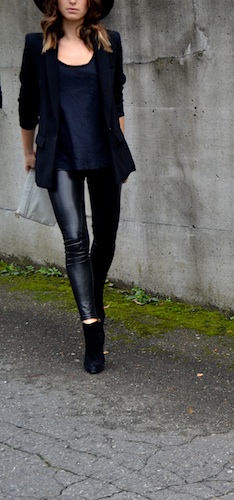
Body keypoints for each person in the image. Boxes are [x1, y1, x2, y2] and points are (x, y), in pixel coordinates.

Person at [19, 0, 135, 374]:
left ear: (91, 4)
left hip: (103, 155)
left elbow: (116, 97)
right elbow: (27, 103)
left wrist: (119, 145)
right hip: (60, 158)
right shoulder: (37, 45)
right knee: (75, 244)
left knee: (106, 238)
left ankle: (95, 300)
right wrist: (28, 151)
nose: (72, 0)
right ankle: (92, 332)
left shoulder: (109, 42)